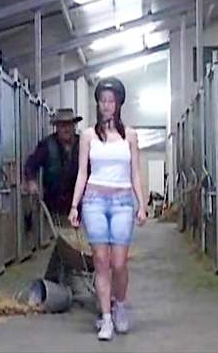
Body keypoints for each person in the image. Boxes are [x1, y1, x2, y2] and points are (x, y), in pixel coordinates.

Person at [67, 77, 147, 341]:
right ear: (98, 104)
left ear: (119, 103)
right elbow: (82, 173)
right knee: (101, 261)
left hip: (123, 201)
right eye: (103, 101)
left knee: (119, 262)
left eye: (111, 101)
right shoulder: (88, 136)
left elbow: (135, 172)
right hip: (94, 201)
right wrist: (74, 205)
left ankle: (120, 305)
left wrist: (142, 204)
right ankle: (106, 318)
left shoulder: (131, 136)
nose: (107, 105)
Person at [23, 108, 82, 219]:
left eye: (69, 124)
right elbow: (30, 165)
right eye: (62, 125)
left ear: (74, 126)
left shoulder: (83, 144)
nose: (66, 129)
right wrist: (31, 181)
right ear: (56, 127)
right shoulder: (47, 145)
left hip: (79, 209)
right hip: (53, 208)